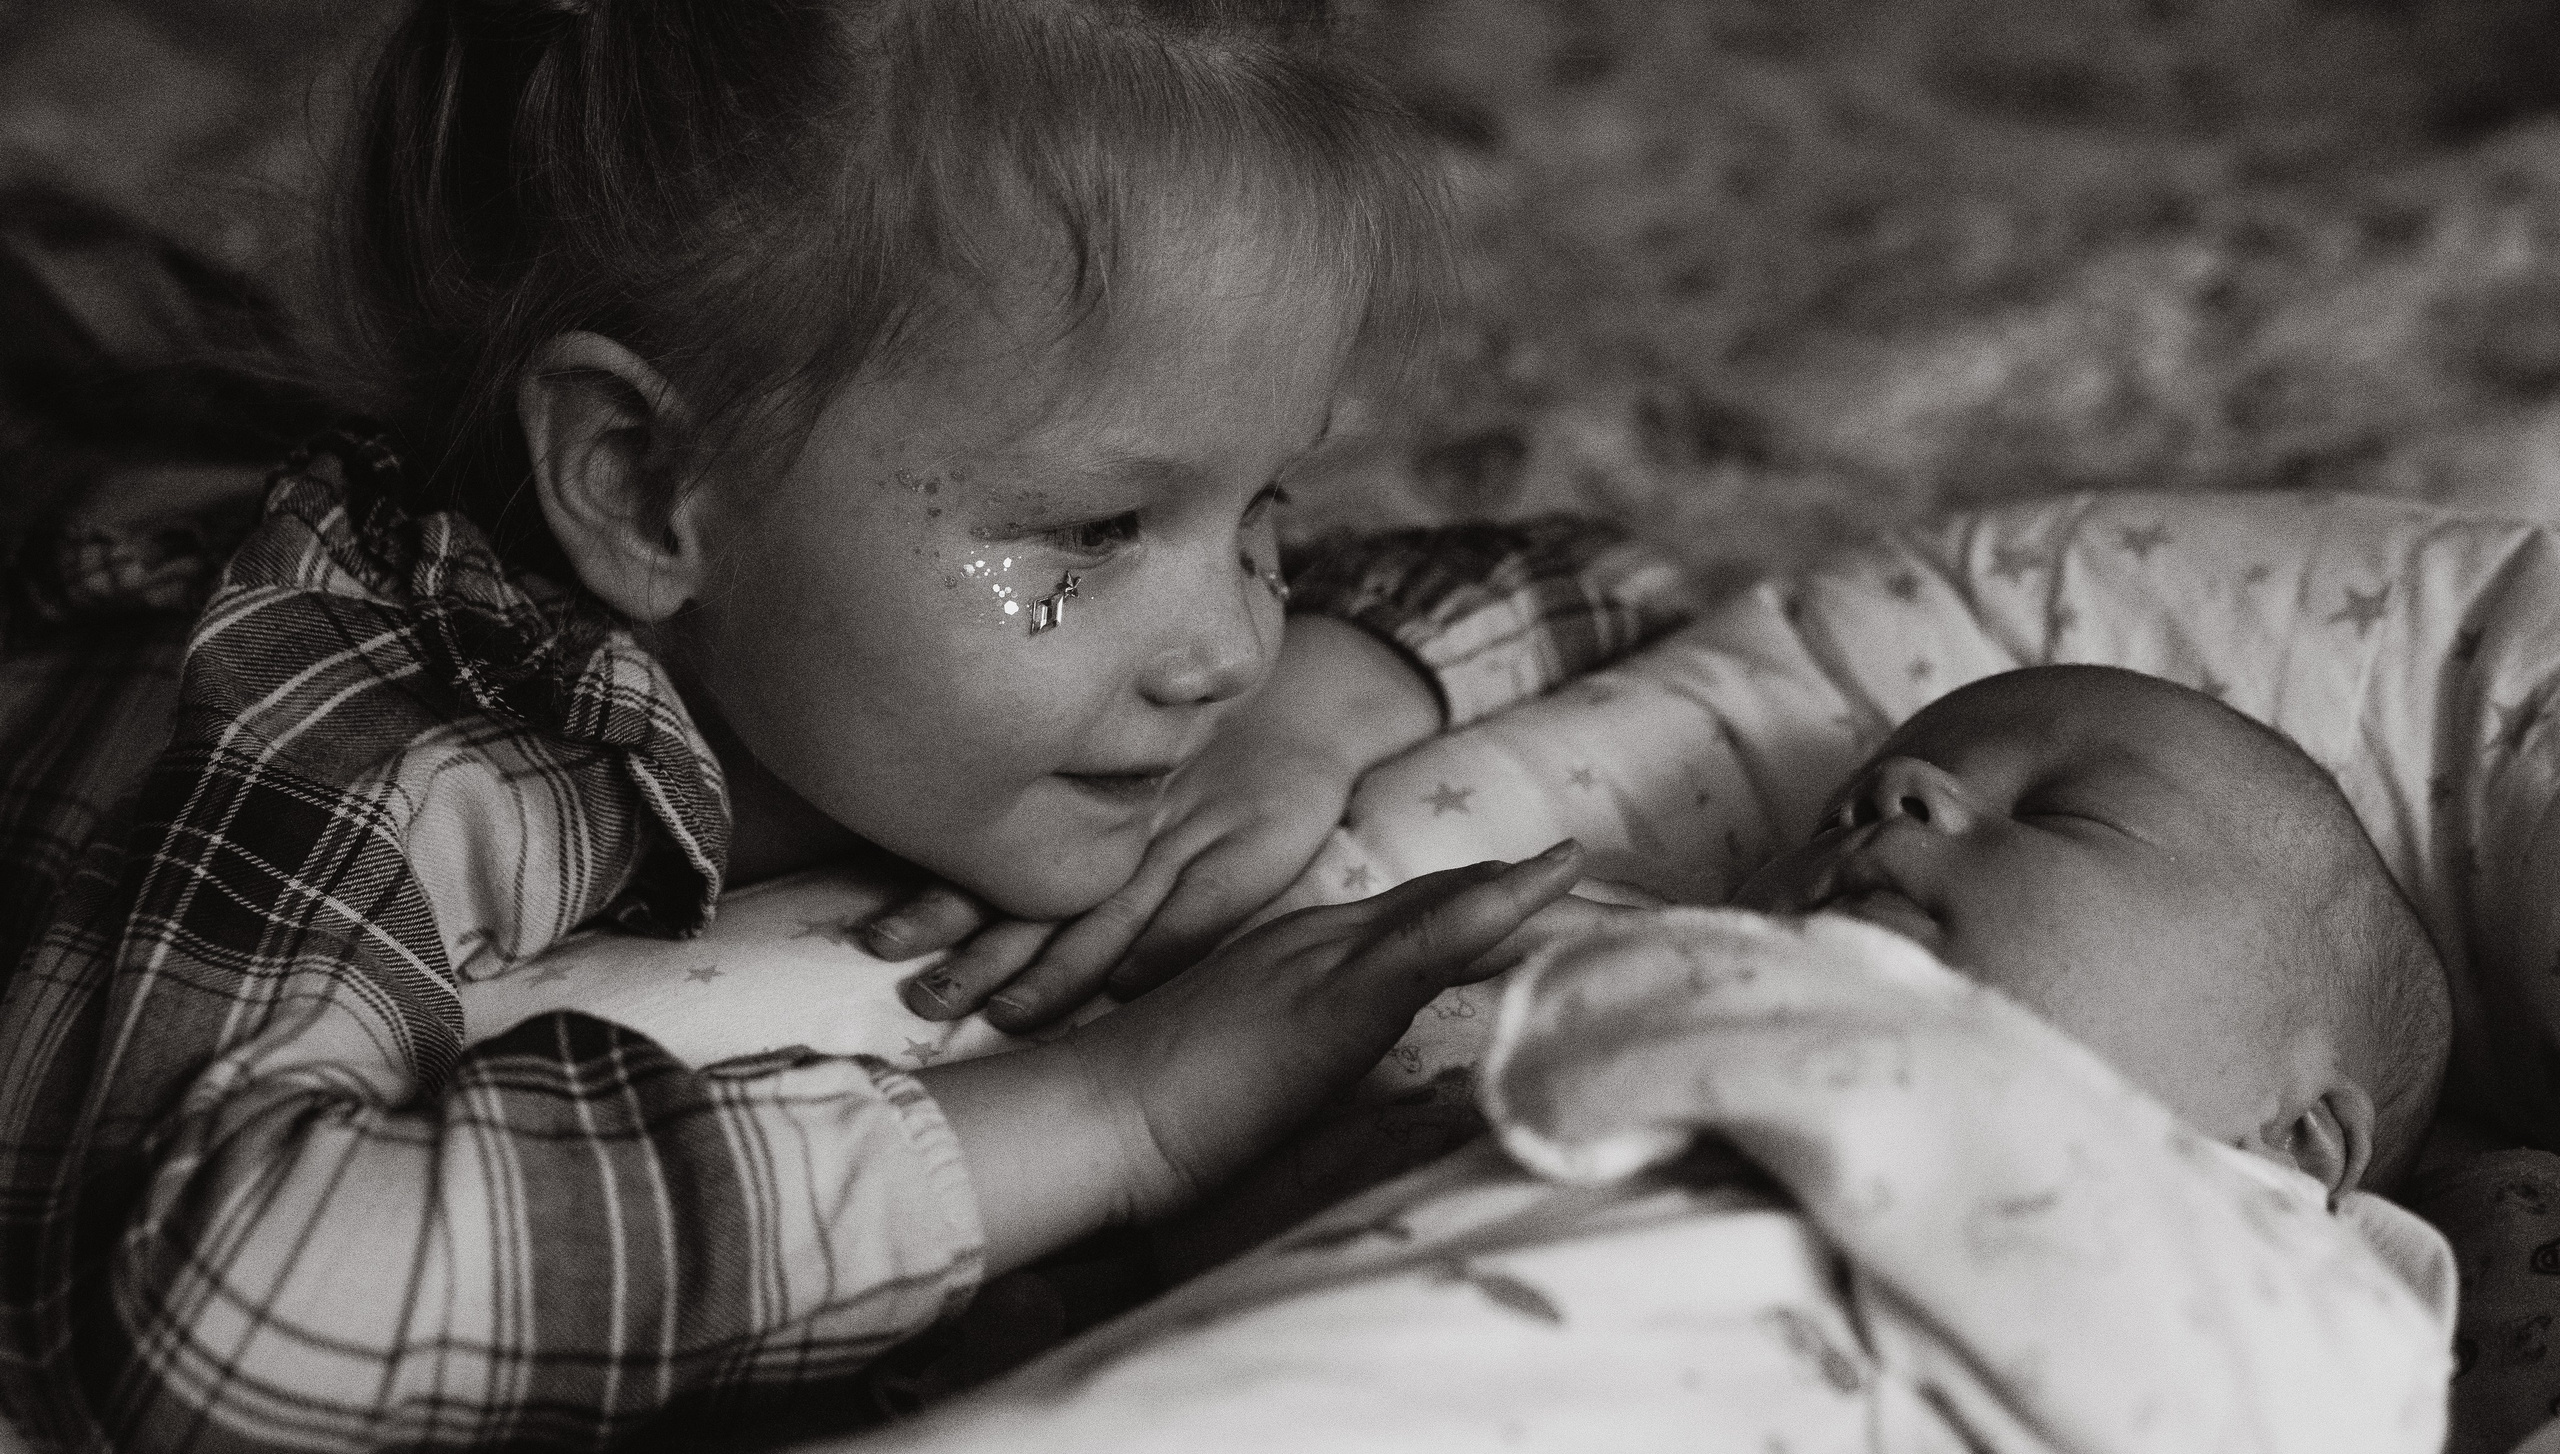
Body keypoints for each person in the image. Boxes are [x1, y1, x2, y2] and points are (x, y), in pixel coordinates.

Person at [0, 3, 1693, 1450]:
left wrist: (1331, 699)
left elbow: (1606, 578)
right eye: (1095, 532)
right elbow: (205, 1312)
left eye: (1266, 502)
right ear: (650, 485)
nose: (1228, 640)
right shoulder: (382, 736)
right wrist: (1120, 1108)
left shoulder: (1003, 593)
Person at [1735, 663, 2453, 1194]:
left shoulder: (2308, 1320)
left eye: (2066, 811)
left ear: (2297, 1139)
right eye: (1831, 822)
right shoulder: (1660, 986)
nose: (1895, 786)